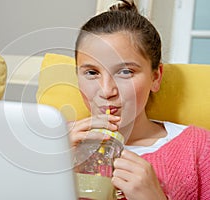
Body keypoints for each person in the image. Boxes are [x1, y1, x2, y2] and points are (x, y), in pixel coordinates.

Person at [69, 0, 210, 199]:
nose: (107, 90)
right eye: (92, 72)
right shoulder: (54, 142)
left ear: (155, 77)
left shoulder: (199, 148)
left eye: (125, 72)